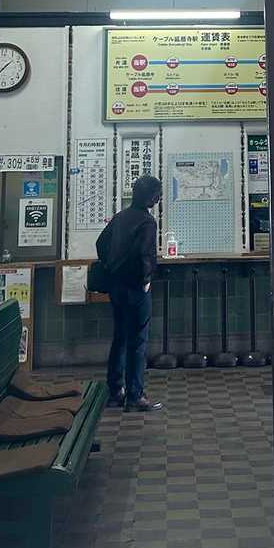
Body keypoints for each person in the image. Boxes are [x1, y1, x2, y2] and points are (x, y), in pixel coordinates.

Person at [96, 175, 164, 413]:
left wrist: (111, 265)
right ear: (152, 197)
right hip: (136, 287)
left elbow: (100, 244)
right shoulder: (147, 222)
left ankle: (116, 392)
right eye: (157, 194)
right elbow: (145, 254)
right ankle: (135, 395)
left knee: (120, 338)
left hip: (116, 286)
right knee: (138, 341)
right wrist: (146, 280)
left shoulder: (120, 217)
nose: (159, 198)